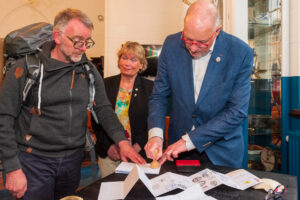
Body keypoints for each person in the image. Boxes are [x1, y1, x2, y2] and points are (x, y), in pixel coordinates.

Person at [0, 8, 145, 200]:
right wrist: (12, 168)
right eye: (78, 41)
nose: (84, 48)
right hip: (33, 161)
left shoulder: (89, 70)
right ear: (57, 36)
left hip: (72, 161)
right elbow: (4, 118)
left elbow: (103, 109)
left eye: (87, 42)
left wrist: (122, 142)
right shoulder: (25, 69)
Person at [144, 1, 254, 168]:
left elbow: (236, 111)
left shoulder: (240, 53)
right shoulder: (171, 45)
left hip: (222, 151)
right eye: (188, 40)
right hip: (178, 151)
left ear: (217, 31)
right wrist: (156, 134)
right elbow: (159, 95)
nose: (193, 49)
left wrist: (189, 140)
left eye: (201, 42)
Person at [92, 41, 153, 178]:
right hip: (110, 153)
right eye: (124, 58)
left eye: (133, 60)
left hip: (138, 152)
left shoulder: (151, 88)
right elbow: (96, 119)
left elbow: (152, 121)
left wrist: (138, 146)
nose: (127, 63)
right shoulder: (104, 84)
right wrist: (108, 146)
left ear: (141, 65)